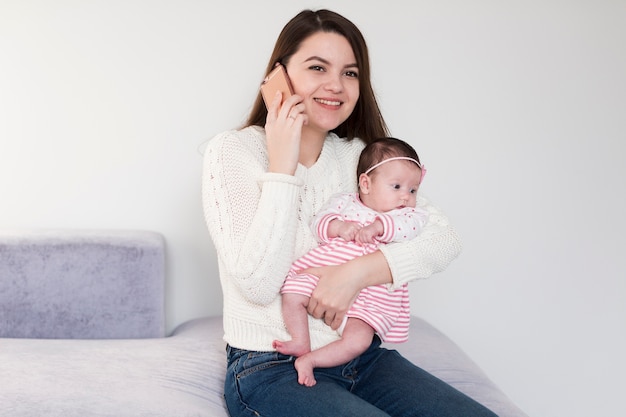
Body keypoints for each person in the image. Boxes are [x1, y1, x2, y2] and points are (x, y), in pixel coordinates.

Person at [202, 8, 497, 417]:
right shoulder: (233, 151)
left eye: (350, 73)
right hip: (268, 366)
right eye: (317, 67)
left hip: (363, 359)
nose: (336, 86)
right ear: (280, 77)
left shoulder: (359, 159)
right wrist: (283, 164)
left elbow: (444, 239)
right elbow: (257, 283)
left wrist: (355, 274)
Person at [274, 137, 429, 387]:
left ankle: (312, 360)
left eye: (412, 190)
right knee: (292, 293)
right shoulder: (345, 202)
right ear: (366, 184)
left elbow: (412, 227)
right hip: (327, 268)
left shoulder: (408, 214)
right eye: (397, 186)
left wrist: (380, 226)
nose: (405, 197)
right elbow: (320, 222)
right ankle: (300, 340)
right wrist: (339, 226)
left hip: (374, 292)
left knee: (359, 341)